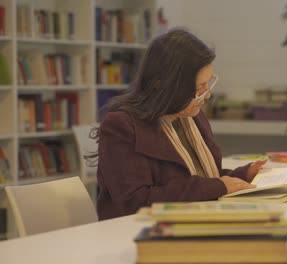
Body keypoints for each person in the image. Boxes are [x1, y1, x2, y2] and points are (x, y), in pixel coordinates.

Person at [89, 28, 267, 220]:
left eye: (208, 84)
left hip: (196, 223)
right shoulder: (122, 126)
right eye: (199, 88)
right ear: (165, 86)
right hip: (141, 233)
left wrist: (243, 175)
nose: (207, 95)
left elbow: (202, 177)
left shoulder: (190, 116)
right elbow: (135, 201)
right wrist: (219, 186)